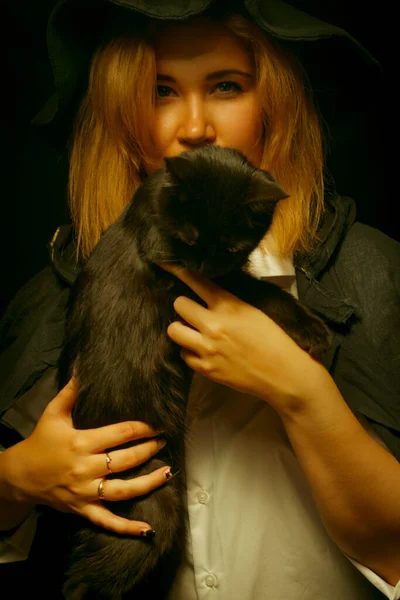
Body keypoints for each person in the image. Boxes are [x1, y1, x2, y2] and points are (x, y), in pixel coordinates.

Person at [0, 1, 399, 598]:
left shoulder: (373, 274)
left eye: (226, 86)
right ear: (121, 113)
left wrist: (302, 392)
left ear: (275, 107)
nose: (193, 127)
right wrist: (15, 480)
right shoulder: (60, 294)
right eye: (160, 90)